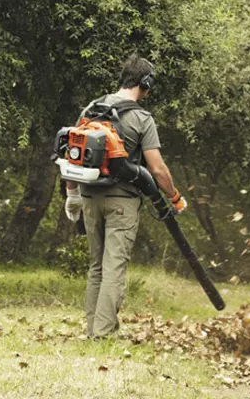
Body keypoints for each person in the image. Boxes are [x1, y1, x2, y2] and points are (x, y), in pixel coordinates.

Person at [64, 55, 187, 339]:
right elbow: (156, 168)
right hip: (122, 201)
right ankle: (103, 335)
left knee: (97, 266)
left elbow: (72, 152)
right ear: (145, 83)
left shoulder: (91, 108)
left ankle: (94, 328)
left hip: (89, 197)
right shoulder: (142, 118)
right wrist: (176, 198)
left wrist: (72, 195)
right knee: (114, 268)